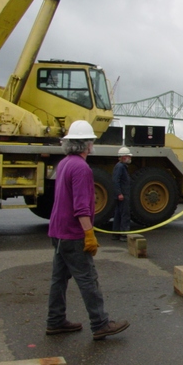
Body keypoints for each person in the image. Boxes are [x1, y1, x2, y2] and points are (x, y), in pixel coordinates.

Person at [46, 120, 130, 341]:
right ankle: (101, 324)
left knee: (59, 278)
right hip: (73, 233)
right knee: (88, 278)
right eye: (91, 140)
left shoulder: (64, 163)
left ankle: (55, 321)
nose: (92, 144)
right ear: (86, 144)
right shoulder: (82, 168)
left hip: (57, 231)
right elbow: (81, 207)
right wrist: (89, 234)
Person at [112, 146, 132, 241]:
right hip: (123, 195)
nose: (130, 158)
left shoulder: (120, 166)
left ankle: (116, 234)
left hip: (121, 194)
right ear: (124, 157)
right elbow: (116, 181)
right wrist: (119, 193)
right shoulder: (120, 167)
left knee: (118, 214)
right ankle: (123, 235)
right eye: (128, 156)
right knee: (124, 214)